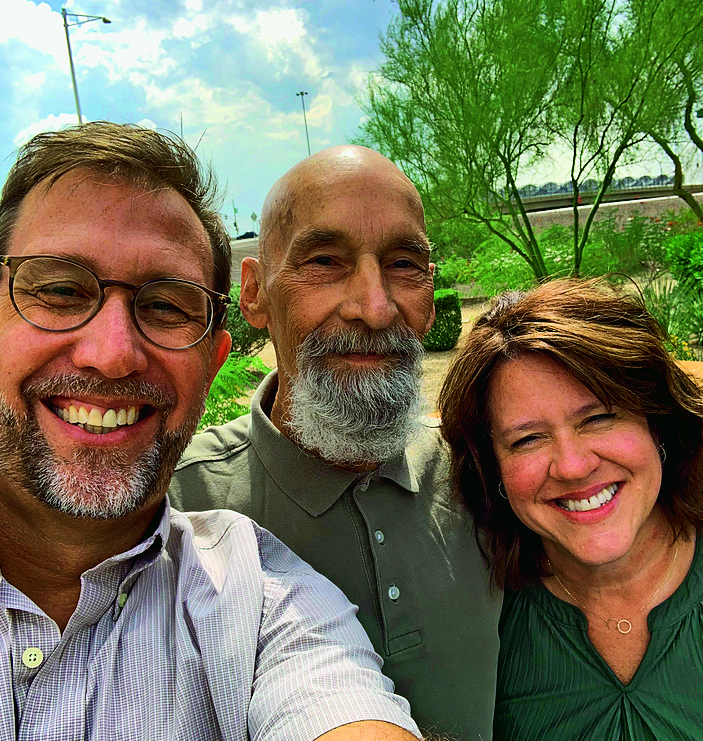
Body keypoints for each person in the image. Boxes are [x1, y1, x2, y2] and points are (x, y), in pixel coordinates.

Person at [0, 122, 422, 740]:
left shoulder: (260, 598)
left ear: (212, 361)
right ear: (255, 296)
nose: (112, 354)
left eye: (167, 305)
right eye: (60, 290)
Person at [169, 145, 501, 740]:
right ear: (254, 294)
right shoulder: (174, 511)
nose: (375, 308)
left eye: (404, 263)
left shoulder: (485, 477)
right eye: (324, 261)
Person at [439, 278, 703, 740]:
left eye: (599, 417)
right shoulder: (476, 625)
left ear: (655, 421)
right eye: (528, 439)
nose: (574, 466)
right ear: (493, 471)